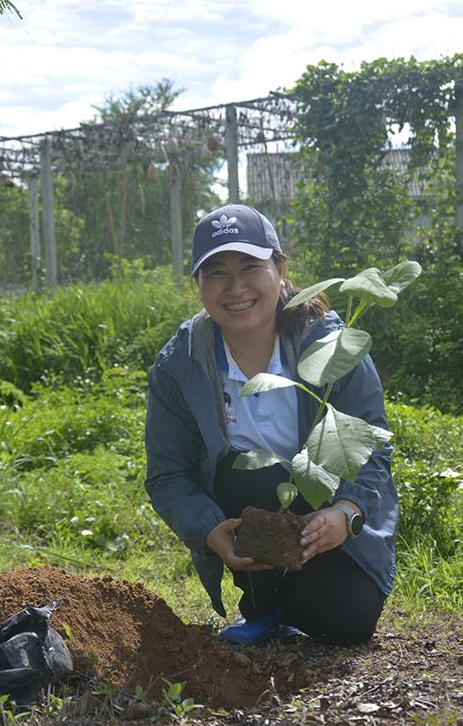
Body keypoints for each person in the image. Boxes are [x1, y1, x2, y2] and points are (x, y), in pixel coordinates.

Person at [145, 204, 397, 646]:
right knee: (248, 468)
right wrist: (209, 532)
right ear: (199, 284)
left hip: (326, 508)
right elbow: (169, 474)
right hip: (251, 507)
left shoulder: (331, 344)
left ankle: (293, 599)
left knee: (349, 621)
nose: (235, 287)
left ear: (280, 267)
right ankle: (262, 601)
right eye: (216, 272)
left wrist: (346, 513)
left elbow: (370, 442)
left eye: (250, 266)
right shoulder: (180, 365)